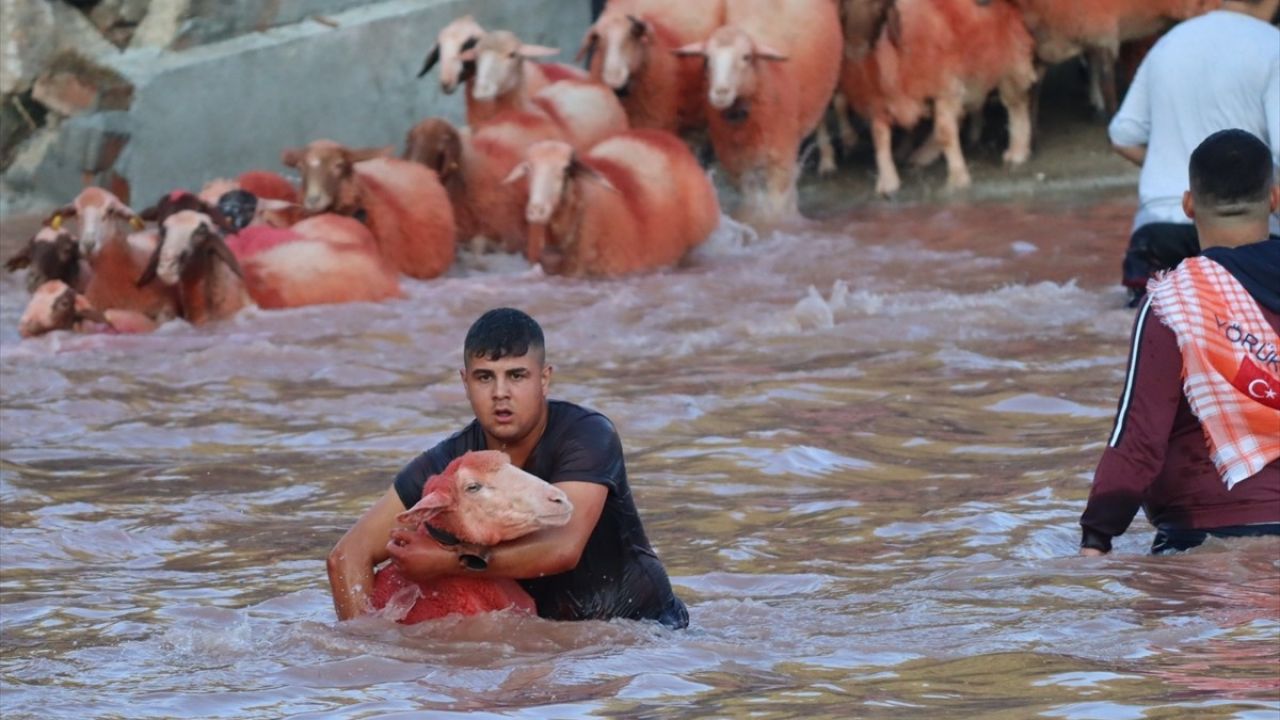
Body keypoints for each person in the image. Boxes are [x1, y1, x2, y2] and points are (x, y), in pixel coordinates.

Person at [327, 307, 689, 628]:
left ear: (544, 379)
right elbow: (347, 557)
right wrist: (370, 656)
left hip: (644, 633)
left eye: (516, 376)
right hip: (547, 642)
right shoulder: (449, 465)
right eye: (485, 377)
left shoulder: (587, 434)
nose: (500, 392)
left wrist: (444, 561)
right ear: (465, 383)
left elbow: (563, 548)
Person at [1079, 129, 1280, 556]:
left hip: (1205, 543)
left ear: (1188, 205)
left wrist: (1096, 538)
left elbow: (1137, 440)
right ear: (1275, 199)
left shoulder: (1174, 302)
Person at [1107, 0, 1280, 307]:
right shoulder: (1272, 45)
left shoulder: (1168, 43)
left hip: (1157, 229)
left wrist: (1193, 177)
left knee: (1146, 331)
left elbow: (1122, 135)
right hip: (1250, 240)